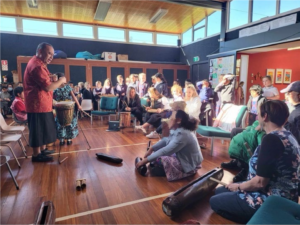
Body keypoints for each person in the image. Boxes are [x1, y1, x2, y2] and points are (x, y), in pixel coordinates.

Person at [210, 100, 300, 224]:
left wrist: (238, 186)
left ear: (265, 116)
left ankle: (265, 219)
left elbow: (260, 182)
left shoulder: (272, 139)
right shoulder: (288, 135)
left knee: (214, 202)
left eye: (258, 114)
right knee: (220, 190)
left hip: (273, 198)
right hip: (286, 193)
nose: (257, 117)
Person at [24, 42, 66, 162]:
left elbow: (45, 80)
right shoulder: (37, 66)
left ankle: (42, 150)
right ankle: (37, 155)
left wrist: (52, 77)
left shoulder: (39, 63)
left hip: (43, 103)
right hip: (37, 104)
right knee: (37, 130)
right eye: (49, 53)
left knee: (42, 128)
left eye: (52, 54)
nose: (51, 56)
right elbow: (48, 87)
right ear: (40, 51)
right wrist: (61, 80)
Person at [136, 110, 203, 181]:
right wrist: (151, 149)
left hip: (189, 162)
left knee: (157, 166)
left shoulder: (183, 134)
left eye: (171, 118)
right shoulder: (178, 129)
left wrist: (144, 161)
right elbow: (165, 140)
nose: (169, 120)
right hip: (182, 156)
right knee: (156, 158)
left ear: (178, 120)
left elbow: (166, 151)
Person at [53, 73, 82, 146]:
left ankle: (69, 139)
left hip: (69, 109)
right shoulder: (54, 87)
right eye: (63, 78)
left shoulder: (68, 87)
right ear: (59, 79)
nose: (65, 80)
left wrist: (78, 105)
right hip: (59, 108)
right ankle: (61, 139)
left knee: (70, 123)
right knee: (60, 124)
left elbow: (74, 97)